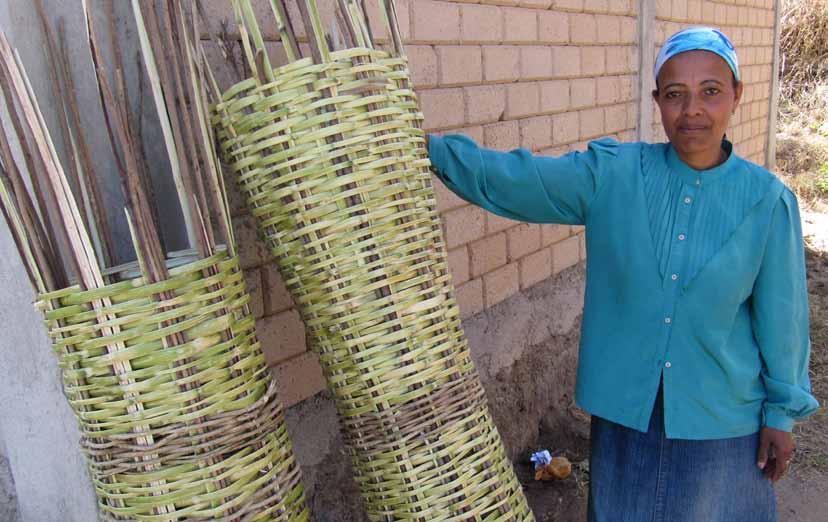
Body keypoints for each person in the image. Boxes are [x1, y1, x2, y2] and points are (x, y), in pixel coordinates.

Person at [426, 27, 819, 522]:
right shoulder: (613, 175)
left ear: (737, 95)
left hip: (722, 425)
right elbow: (518, 180)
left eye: (711, 92)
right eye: (675, 94)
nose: (692, 109)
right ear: (657, 101)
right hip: (627, 417)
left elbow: (783, 322)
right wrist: (430, 151)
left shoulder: (767, 202)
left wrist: (781, 415)